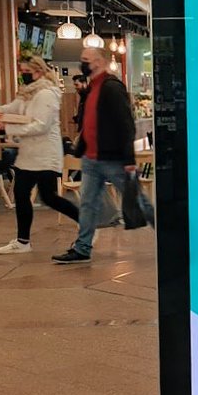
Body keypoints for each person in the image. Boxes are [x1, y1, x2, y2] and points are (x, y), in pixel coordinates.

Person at [52, 46, 153, 265]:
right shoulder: (92, 89)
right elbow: (90, 124)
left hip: (113, 159)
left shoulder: (112, 88)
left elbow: (126, 125)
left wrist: (128, 160)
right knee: (88, 204)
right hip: (91, 159)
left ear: (98, 61)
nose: (82, 63)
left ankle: (173, 237)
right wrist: (79, 150)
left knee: (138, 201)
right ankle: (82, 247)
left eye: (85, 60)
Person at [0, 56, 79, 254]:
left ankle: (87, 223)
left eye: (25, 72)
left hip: (45, 155)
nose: (23, 76)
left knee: (49, 197)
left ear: (37, 71)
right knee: (22, 194)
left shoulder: (46, 94)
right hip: (29, 155)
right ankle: (23, 241)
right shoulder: (28, 93)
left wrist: (8, 128)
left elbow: (41, 125)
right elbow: (13, 108)